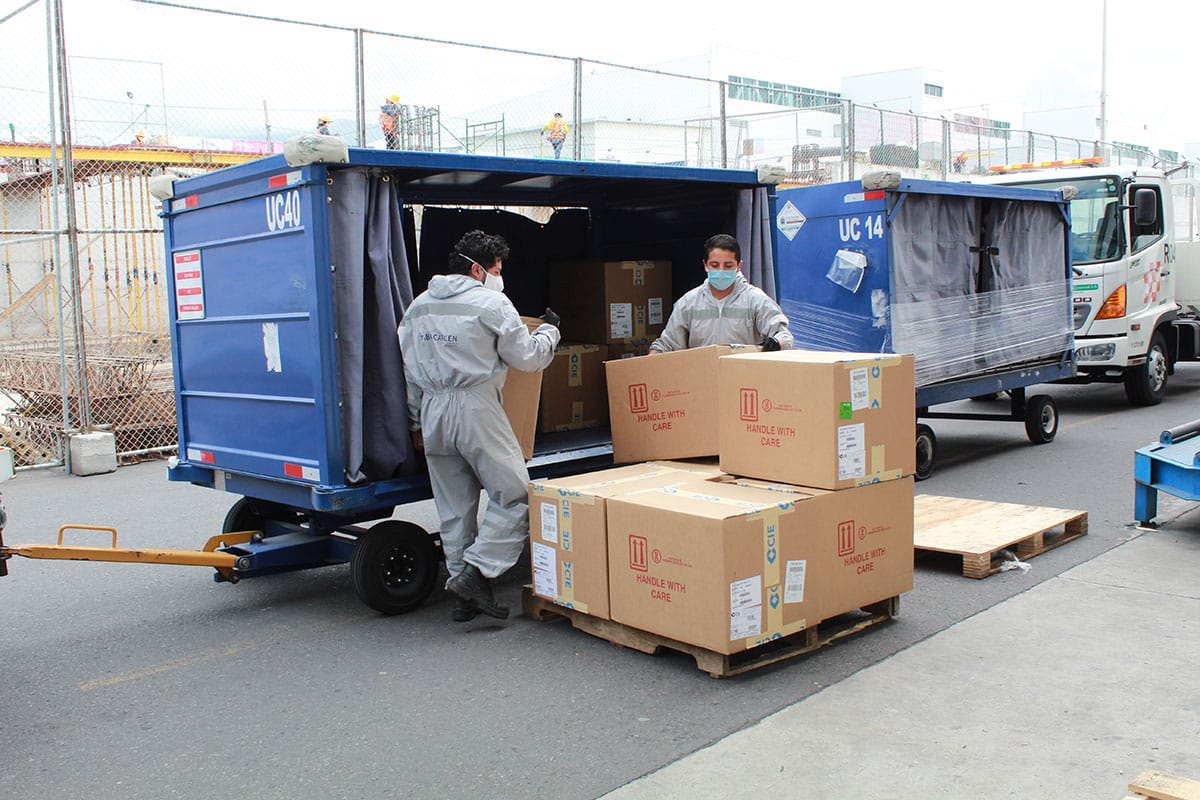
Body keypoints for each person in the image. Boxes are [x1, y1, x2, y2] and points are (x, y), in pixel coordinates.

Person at [398, 230, 561, 622]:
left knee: (454, 509)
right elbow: (526, 359)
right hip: (476, 409)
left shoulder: (417, 307)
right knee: (516, 495)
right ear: (477, 268)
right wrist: (550, 333)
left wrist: (417, 424)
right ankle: (479, 571)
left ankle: (463, 591)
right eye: (496, 268)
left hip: (434, 412)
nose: (498, 275)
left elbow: (409, 373)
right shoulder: (492, 303)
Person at [649, 233, 794, 354]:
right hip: (701, 381)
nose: (721, 270)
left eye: (728, 265)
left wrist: (776, 342)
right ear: (705, 265)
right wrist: (652, 358)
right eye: (715, 265)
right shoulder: (688, 303)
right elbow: (668, 344)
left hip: (743, 381)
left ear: (739, 266)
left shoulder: (756, 300)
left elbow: (784, 335)